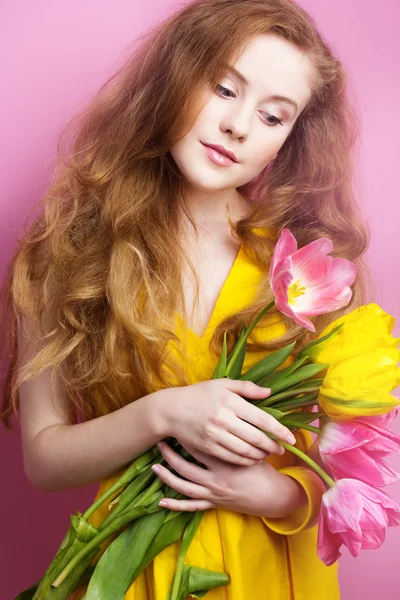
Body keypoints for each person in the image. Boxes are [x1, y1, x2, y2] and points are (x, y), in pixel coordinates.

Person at [0, 0, 371, 598]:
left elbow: (351, 469)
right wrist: (163, 413)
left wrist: (270, 492)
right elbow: (44, 459)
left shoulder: (306, 273)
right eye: (224, 88)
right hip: (130, 572)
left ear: (286, 142)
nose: (239, 126)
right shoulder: (61, 255)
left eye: (273, 117)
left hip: (269, 572)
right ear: (176, 77)